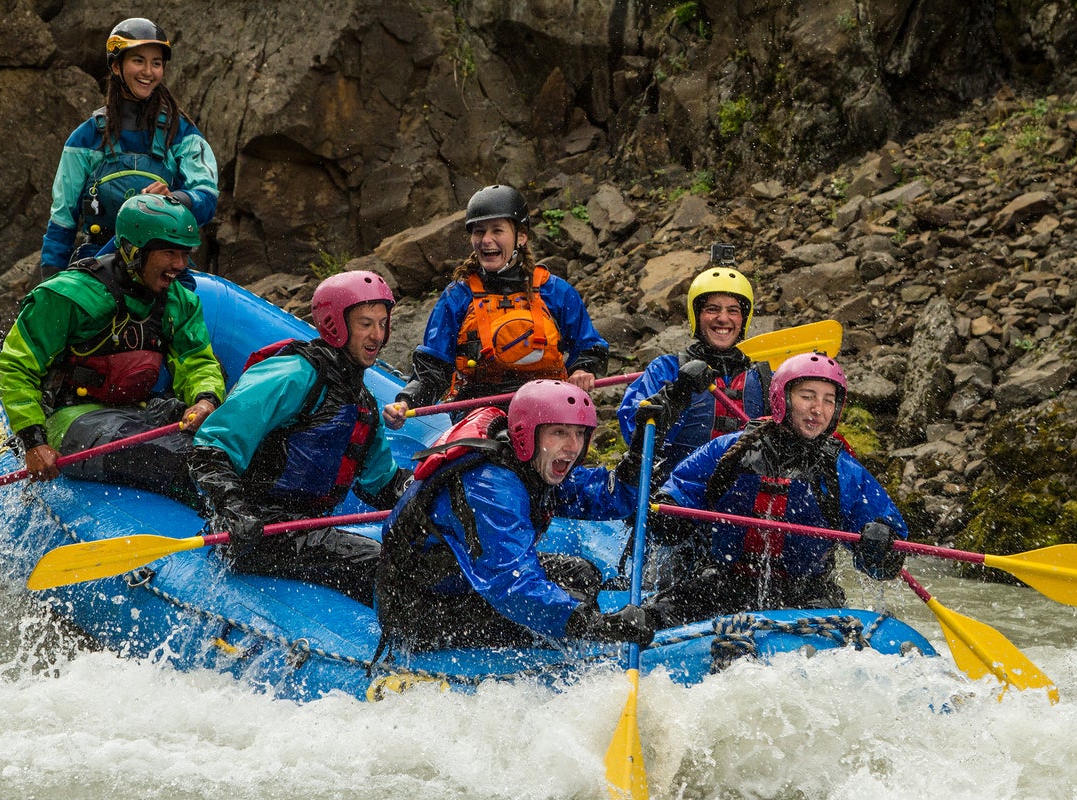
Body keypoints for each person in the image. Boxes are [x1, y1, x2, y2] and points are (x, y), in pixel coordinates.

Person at [375, 377, 693, 654]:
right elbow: (511, 583)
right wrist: (596, 626)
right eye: (559, 432)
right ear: (527, 433)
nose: (572, 446)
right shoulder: (490, 484)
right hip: (420, 609)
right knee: (554, 613)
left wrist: (640, 449)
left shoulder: (533, 463)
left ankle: (566, 643)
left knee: (580, 575)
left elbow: (610, 499)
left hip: (463, 583)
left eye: (579, 434)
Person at [188, 270, 411, 607]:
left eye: (382, 324)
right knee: (378, 563)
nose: (377, 335)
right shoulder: (293, 375)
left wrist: (422, 489)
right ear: (337, 325)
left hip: (306, 529)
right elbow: (210, 449)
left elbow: (381, 484)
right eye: (366, 324)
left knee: (410, 562)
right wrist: (233, 510)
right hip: (256, 529)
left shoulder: (362, 401)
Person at [641, 352, 908, 629]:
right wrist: (669, 510)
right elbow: (680, 492)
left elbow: (882, 559)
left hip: (807, 594)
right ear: (782, 398)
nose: (818, 409)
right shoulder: (731, 451)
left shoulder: (842, 469)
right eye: (807, 396)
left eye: (828, 400)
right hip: (722, 583)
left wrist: (882, 544)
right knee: (651, 617)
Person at [0, 193, 224, 502]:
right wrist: (33, 441)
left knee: (220, 448)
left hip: (136, 410)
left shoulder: (179, 302)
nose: (180, 265)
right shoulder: (68, 296)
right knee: (175, 460)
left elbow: (196, 361)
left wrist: (205, 399)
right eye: (170, 252)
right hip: (69, 416)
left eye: (185, 253)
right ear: (134, 251)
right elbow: (15, 366)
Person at [382, 185, 608, 429]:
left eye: (497, 230)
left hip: (547, 402)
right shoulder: (458, 297)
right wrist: (406, 401)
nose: (486, 240)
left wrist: (583, 369)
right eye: (479, 231)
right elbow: (433, 369)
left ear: (521, 236)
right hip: (479, 410)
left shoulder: (555, 292)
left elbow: (590, 347)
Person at [40, 17, 219, 279]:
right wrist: (51, 278)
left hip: (165, 267)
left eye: (156, 63)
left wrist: (174, 198)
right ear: (116, 66)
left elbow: (207, 197)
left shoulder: (181, 133)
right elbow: (62, 220)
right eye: (138, 61)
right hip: (100, 264)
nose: (148, 71)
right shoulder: (85, 139)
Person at [618, 262, 768, 483]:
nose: (723, 318)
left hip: (741, 497)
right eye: (712, 309)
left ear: (743, 320)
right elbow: (634, 433)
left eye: (733, 311)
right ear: (696, 316)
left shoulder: (763, 378)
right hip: (675, 493)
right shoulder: (666, 369)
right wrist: (676, 396)